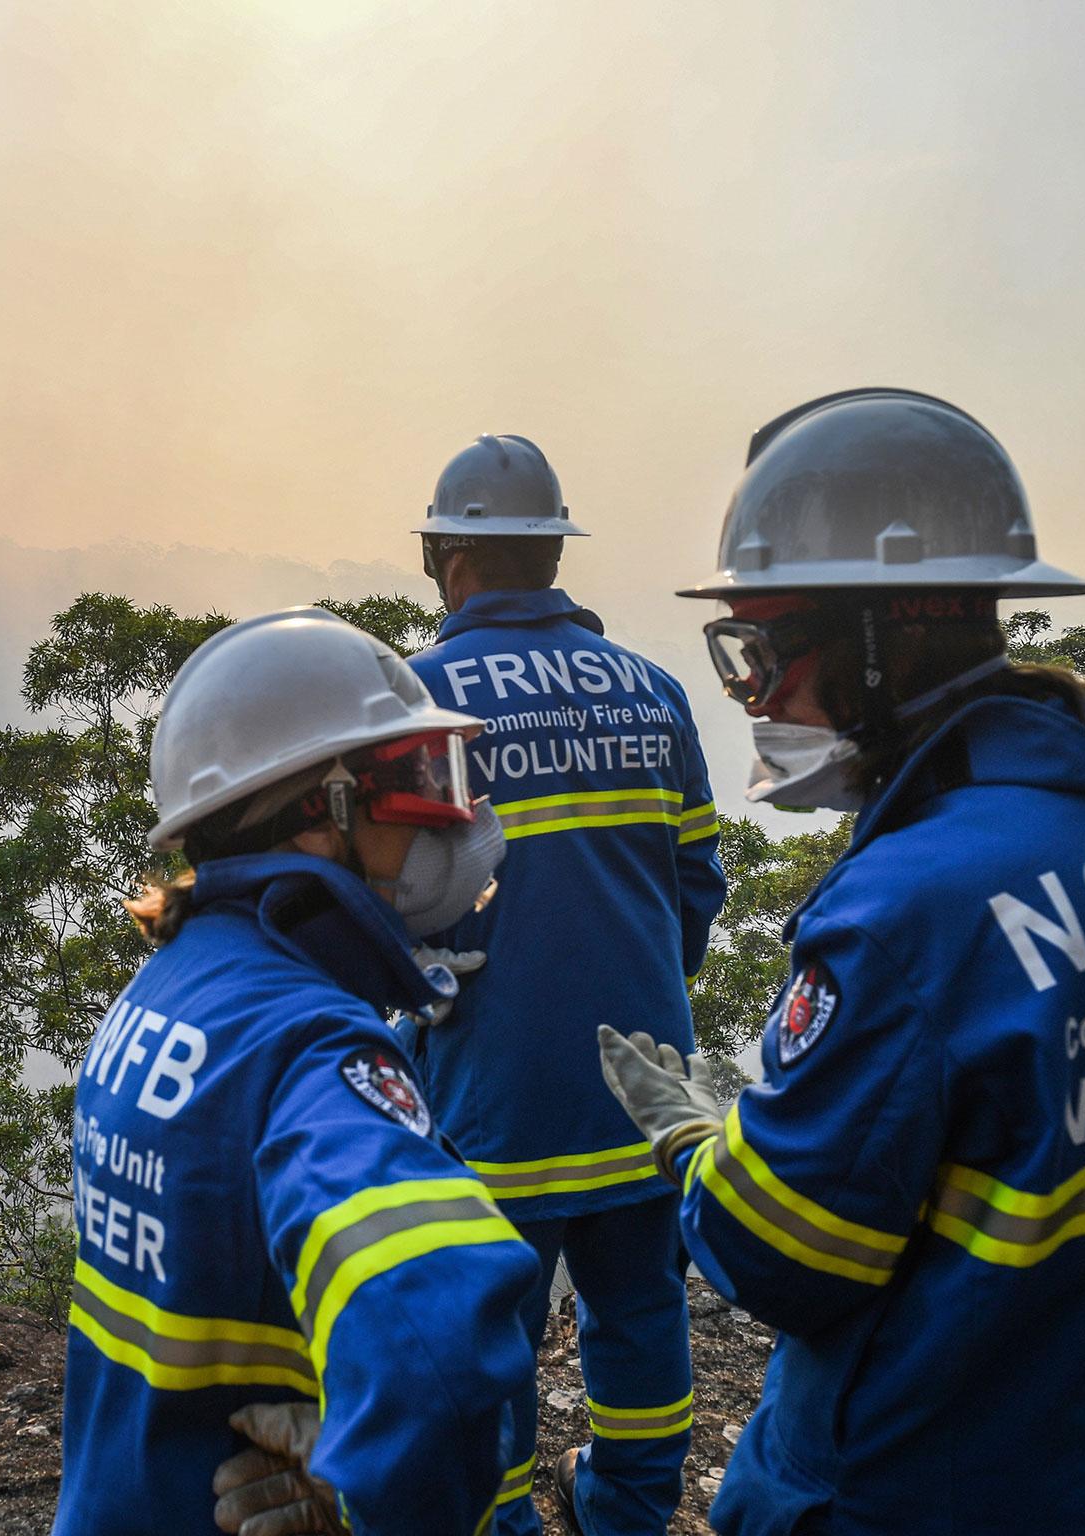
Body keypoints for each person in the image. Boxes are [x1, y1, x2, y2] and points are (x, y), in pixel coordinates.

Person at [596, 388, 1085, 1535]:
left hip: (912, 1485)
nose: (757, 695)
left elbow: (781, 1258)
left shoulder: (910, 907)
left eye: (760, 651)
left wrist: (698, 1143)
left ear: (870, 638)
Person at [51, 607, 541, 1536]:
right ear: (325, 812)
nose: (455, 816)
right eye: (419, 781)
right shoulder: (312, 1046)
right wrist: (367, 1489)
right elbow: (440, 1345)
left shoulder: (166, 988)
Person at [401, 435, 728, 1536]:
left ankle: (500, 1522)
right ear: (551, 553)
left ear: (445, 554)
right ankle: (626, 1514)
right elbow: (697, 881)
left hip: (494, 1091)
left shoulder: (419, 701)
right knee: (639, 1314)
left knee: (487, 1327)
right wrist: (633, 984)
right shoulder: (652, 691)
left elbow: (399, 910)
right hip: (642, 1086)